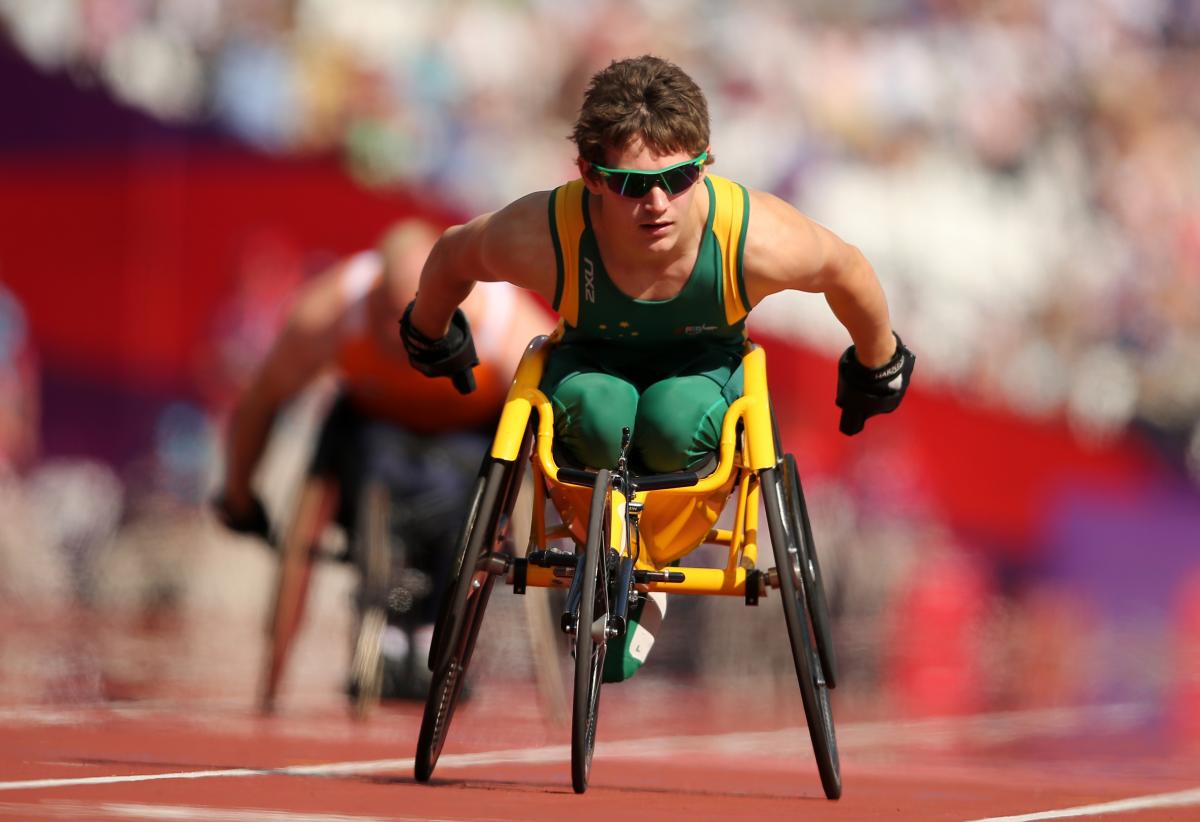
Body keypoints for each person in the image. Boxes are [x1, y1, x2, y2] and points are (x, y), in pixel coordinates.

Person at [400, 55, 915, 685]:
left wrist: (876, 363)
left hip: (702, 369)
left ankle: (644, 568)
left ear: (705, 163)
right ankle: (611, 558)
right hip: (591, 362)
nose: (657, 202)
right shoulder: (546, 232)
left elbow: (847, 269)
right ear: (589, 175)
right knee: (598, 416)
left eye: (679, 178)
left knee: (673, 426)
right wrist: (429, 332)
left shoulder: (751, 238)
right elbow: (454, 254)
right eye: (630, 184)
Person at [213, 217, 550, 705]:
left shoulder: (506, 326)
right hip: (371, 437)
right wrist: (239, 495)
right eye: (391, 321)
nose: (403, 342)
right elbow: (263, 400)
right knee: (367, 446)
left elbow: (561, 419)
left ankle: (434, 626)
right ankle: (382, 627)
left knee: (475, 473)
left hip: (469, 444)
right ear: (371, 296)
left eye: (415, 323)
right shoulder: (329, 312)